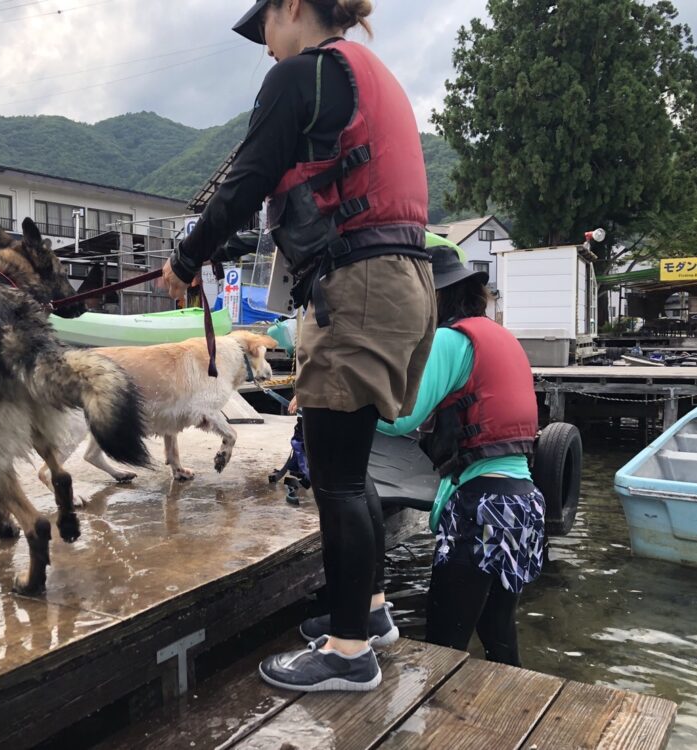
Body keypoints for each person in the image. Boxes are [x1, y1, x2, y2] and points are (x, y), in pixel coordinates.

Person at [161, 0, 435, 692]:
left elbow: (243, 182)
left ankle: (347, 655)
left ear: (291, 9)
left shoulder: (304, 75)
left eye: (268, 32)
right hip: (404, 280)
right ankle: (367, 616)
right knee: (353, 464)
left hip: (359, 287)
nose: (267, 50)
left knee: (336, 475)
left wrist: (186, 260)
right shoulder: (366, 71)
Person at [377, 246, 545, 667]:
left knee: (441, 646)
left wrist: (340, 413)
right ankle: (510, 721)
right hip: (523, 505)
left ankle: (440, 729)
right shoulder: (502, 337)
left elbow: (401, 417)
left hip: (481, 509)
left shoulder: (450, 340)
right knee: (497, 634)